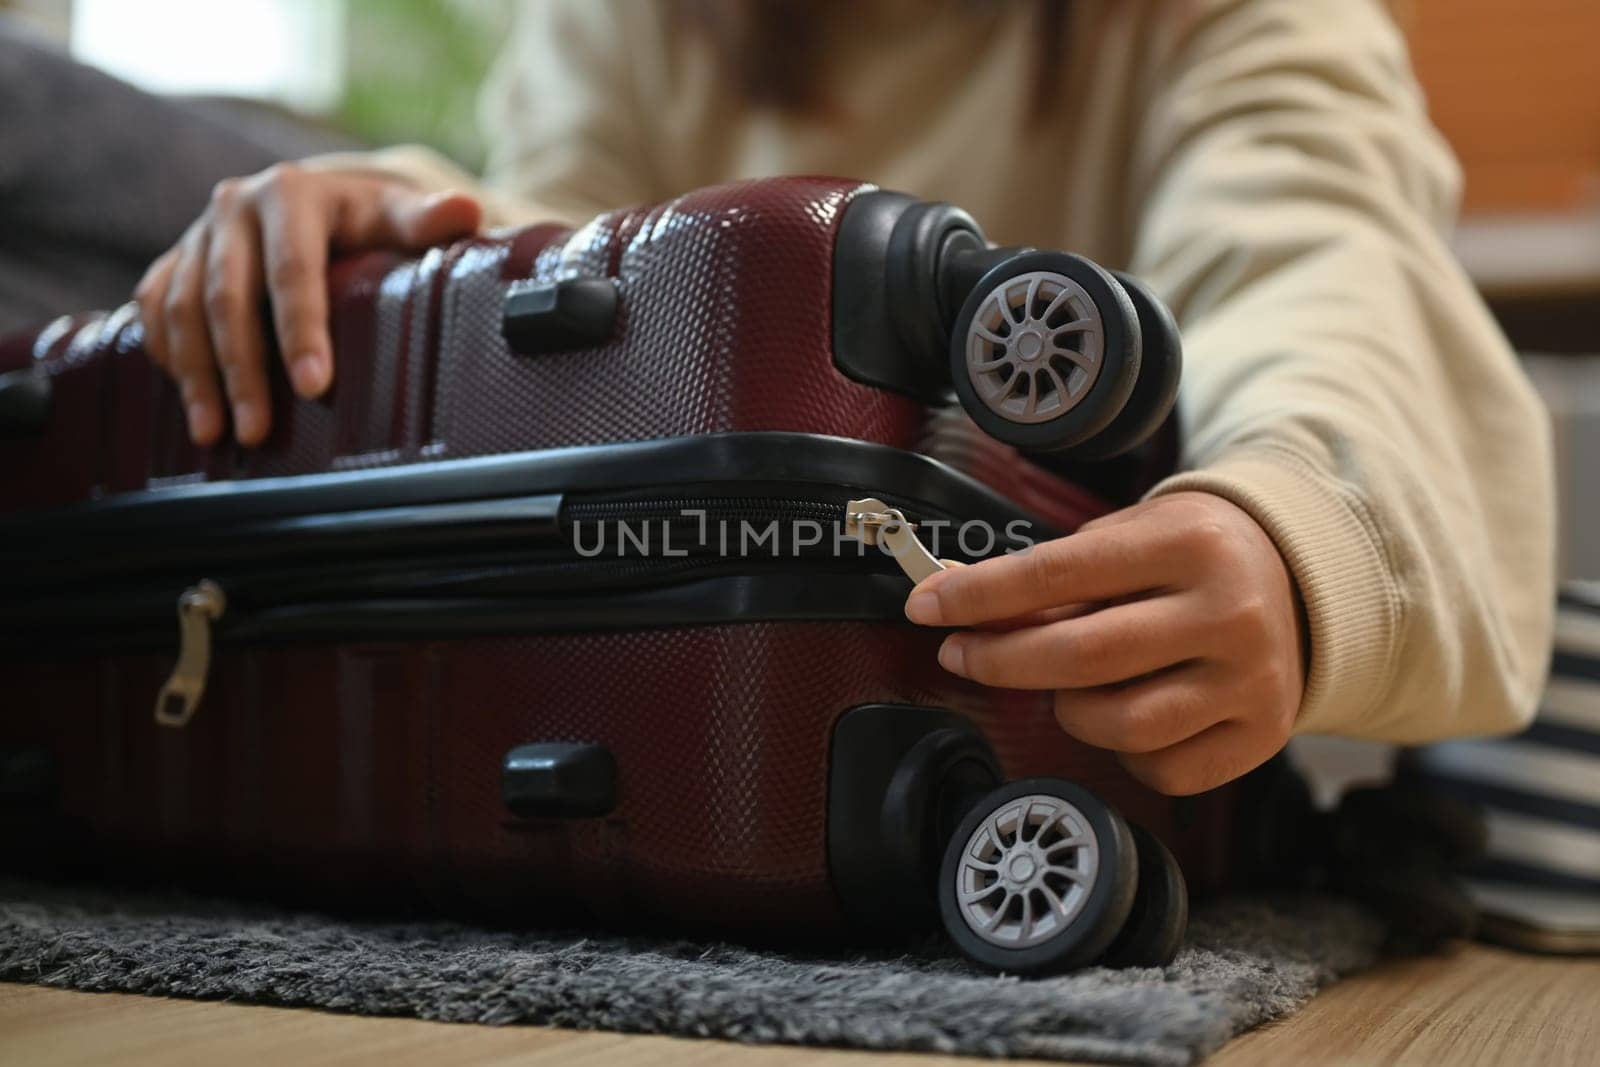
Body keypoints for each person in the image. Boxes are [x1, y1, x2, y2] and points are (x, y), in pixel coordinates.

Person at [126, 0, 1554, 796]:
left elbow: (1320, 260)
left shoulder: (1230, 25)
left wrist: (1292, 524)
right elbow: (563, 244)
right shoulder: (634, 26)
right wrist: (404, 229)